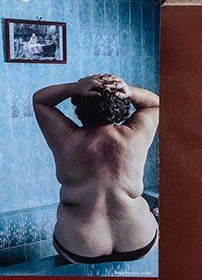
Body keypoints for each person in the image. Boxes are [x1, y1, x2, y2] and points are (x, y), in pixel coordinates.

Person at [31, 73, 159, 265]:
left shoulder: (66, 138)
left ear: (79, 106)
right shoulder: (136, 135)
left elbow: (40, 100)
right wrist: (129, 90)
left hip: (80, 248)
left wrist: (75, 87)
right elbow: (155, 104)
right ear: (122, 101)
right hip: (138, 242)